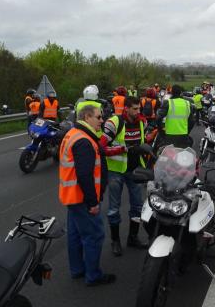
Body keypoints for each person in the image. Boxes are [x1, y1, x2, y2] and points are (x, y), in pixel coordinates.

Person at [59, 104, 115, 286]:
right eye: (99, 117)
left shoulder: (74, 133)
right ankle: (93, 275)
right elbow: (85, 175)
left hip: (72, 197)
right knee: (94, 235)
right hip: (82, 199)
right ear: (87, 117)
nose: (102, 121)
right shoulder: (84, 141)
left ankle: (77, 270)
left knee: (75, 235)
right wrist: (93, 202)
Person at [100, 96, 150, 256]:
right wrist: (124, 149)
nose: (138, 112)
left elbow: (142, 141)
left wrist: (148, 143)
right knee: (114, 208)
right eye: (135, 109)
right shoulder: (113, 122)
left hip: (135, 170)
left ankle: (133, 238)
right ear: (126, 108)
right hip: (116, 171)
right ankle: (115, 241)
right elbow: (101, 147)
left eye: (139, 109)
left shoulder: (142, 122)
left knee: (137, 206)